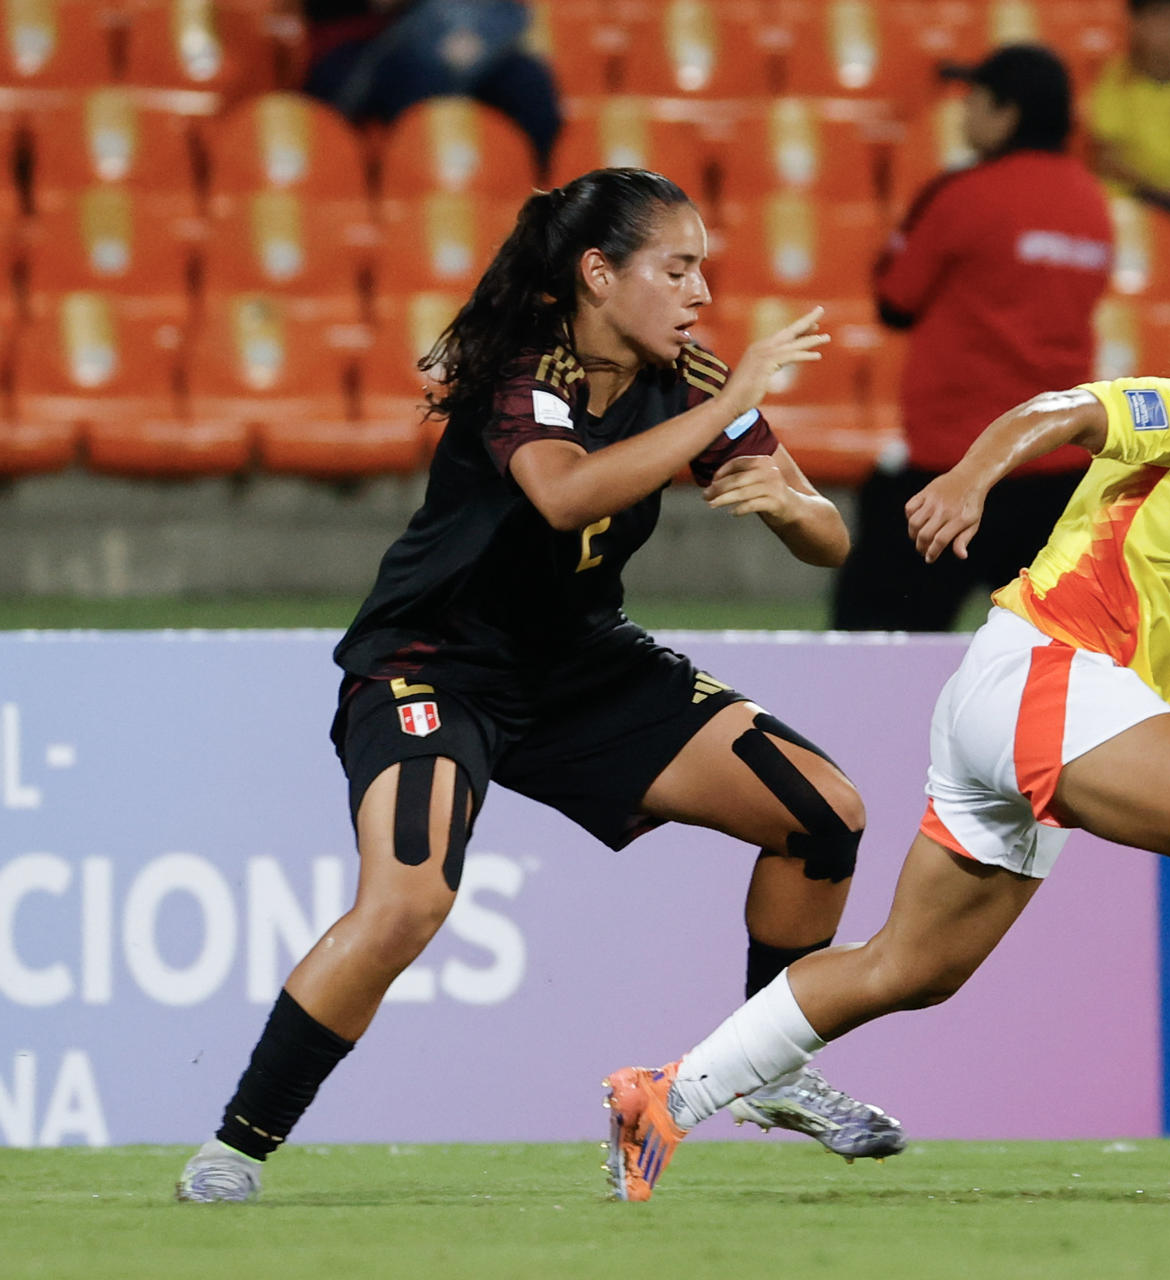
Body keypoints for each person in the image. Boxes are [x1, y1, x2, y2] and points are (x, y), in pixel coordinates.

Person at [176, 168, 904, 1204]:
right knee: (408, 898)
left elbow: (829, 535)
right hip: (433, 665)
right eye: (677, 267)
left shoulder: (691, 377)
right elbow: (564, 495)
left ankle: (768, 1068)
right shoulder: (525, 373)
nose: (700, 292)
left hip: (579, 664)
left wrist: (787, 509)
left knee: (822, 812)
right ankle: (234, 1147)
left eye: (705, 269)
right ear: (599, 274)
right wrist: (733, 404)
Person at [602, 272, 1170, 1201]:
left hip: (1035, 701)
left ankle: (661, 1096)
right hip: (1050, 671)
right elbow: (1057, 412)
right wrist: (970, 479)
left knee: (912, 968)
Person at [830, 44, 1113, 633]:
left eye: (975, 101)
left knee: (877, 643)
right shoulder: (1093, 204)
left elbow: (895, 300)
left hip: (952, 468)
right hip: (1058, 471)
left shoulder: (963, 194)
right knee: (1053, 656)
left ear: (1006, 113)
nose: (962, 115)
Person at [302, 0, 563, 167]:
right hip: (359, 44)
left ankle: (547, 189)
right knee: (423, 75)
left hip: (441, 30)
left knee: (527, 78)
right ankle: (417, 191)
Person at [1085, 0, 1170, 237]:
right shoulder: (1115, 80)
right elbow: (1108, 159)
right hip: (1129, 198)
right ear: (1137, 24)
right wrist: (1164, 190)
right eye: (1160, 17)